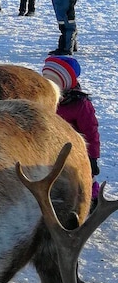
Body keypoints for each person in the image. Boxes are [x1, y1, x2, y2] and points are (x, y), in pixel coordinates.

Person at [41, 55, 100, 207]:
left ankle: (92, 197)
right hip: (51, 148)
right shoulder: (45, 100)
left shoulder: (80, 105)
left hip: (76, 150)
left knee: (83, 176)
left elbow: (91, 132)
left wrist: (92, 157)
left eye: (52, 82)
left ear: (64, 83)